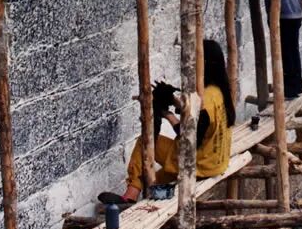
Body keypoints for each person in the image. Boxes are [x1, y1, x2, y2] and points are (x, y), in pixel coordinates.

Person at [100, 40, 235, 203]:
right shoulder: (220, 93)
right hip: (215, 162)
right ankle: (133, 199)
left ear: (203, 65)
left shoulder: (205, 101)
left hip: (198, 164)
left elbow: (190, 138)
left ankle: (130, 195)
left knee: (143, 142)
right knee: (153, 179)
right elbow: (196, 116)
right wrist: (173, 99)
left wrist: (167, 114)